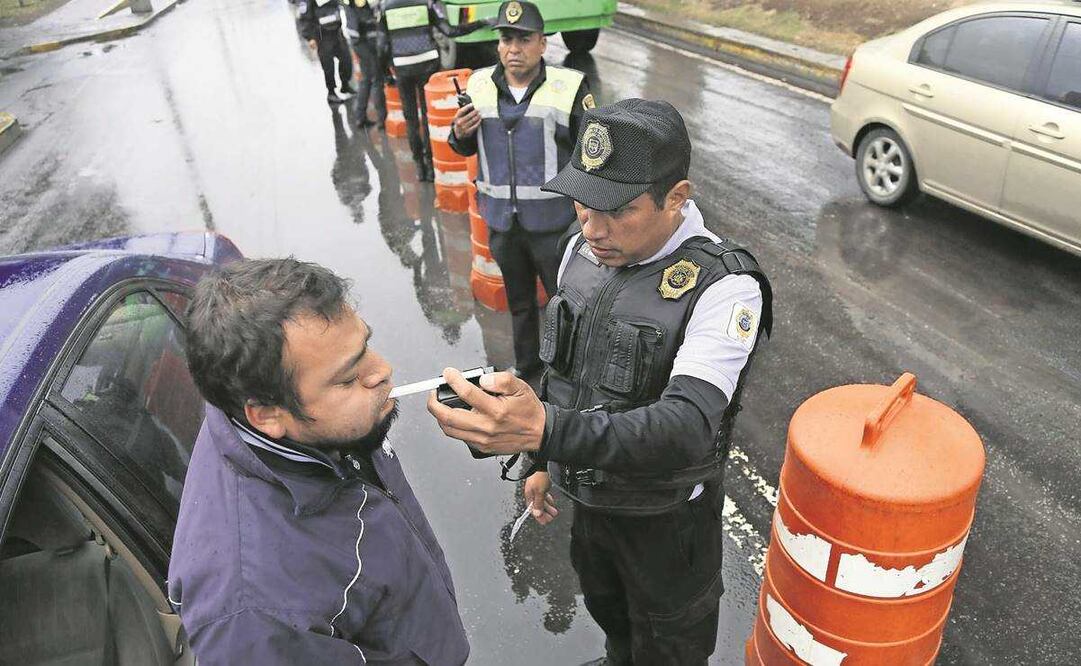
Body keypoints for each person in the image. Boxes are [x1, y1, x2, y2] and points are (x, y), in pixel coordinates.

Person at [429, 98, 773, 665]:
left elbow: (686, 427)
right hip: (589, 504)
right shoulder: (577, 250)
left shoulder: (725, 287)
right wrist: (543, 461)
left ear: (676, 198)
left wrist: (544, 431)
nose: (593, 227)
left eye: (617, 210)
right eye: (583, 205)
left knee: (669, 646)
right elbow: (563, 373)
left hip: (665, 524)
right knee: (611, 616)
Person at [169, 259, 469, 665]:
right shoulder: (256, 620)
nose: (382, 371)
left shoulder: (286, 417)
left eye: (365, 345)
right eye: (347, 379)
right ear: (268, 414)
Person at [448, 0, 594, 379]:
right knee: (520, 305)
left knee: (564, 305)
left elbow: (592, 156)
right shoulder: (477, 85)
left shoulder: (569, 87)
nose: (514, 48)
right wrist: (459, 133)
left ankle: (567, 375)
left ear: (543, 44)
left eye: (524, 39)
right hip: (502, 224)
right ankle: (529, 370)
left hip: (553, 225)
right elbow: (463, 145)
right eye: (507, 39)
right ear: (498, 44)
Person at [380, 0, 488, 181]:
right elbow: (451, 31)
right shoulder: (425, 4)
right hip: (427, 66)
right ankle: (431, 167)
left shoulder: (386, 8)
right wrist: (482, 23)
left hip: (402, 68)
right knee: (429, 118)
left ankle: (419, 168)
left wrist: (385, 74)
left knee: (411, 119)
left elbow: (381, 47)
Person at [299, 0, 355, 105]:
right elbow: (304, 17)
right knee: (328, 66)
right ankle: (331, 93)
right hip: (321, 35)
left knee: (346, 59)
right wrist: (310, 37)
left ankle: (345, 85)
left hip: (337, 31)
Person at [341, 0, 387, 128]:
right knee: (376, 79)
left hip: (358, 39)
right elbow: (367, 9)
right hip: (366, 39)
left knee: (366, 78)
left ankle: (360, 117)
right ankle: (381, 120)